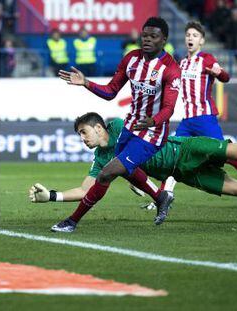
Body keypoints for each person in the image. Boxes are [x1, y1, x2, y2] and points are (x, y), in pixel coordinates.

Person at [29, 113, 237, 232]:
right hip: (182, 173)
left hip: (185, 150)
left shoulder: (119, 126)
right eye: (80, 135)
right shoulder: (102, 160)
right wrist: (52, 196)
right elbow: (86, 189)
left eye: (84, 132)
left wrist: (138, 178)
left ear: (99, 127)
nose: (82, 138)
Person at [56, 17, 181, 231]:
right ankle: (161, 197)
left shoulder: (170, 68)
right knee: (125, 171)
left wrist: (153, 120)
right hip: (131, 127)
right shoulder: (131, 59)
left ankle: (72, 221)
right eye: (145, 36)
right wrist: (86, 83)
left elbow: (169, 108)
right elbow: (111, 91)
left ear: (164, 40)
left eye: (154, 36)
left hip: (152, 133)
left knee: (106, 172)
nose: (147, 40)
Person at [147, 21, 237, 203]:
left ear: (202, 41)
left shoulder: (206, 59)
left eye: (195, 36)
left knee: (226, 154)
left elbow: (225, 77)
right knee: (173, 157)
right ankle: (162, 197)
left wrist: (219, 72)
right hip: (187, 121)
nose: (190, 38)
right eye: (188, 35)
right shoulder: (182, 63)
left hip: (205, 119)